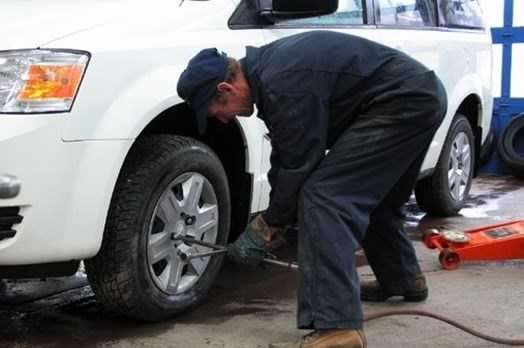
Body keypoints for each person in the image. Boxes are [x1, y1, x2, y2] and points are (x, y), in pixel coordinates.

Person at [176, 30, 446, 348]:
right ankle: (403, 280)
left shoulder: (282, 82)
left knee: (325, 198)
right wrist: (273, 222)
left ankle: (338, 328)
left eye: (215, 111)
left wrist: (266, 226)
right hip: (419, 97)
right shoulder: (272, 75)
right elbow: (288, 155)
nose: (222, 120)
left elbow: (301, 163)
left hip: (403, 104)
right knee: (378, 199)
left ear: (226, 88)